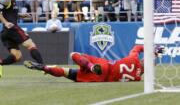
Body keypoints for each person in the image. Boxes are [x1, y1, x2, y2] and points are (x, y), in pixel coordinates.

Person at [24, 45, 164, 82]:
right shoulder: (138, 77)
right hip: (100, 79)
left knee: (73, 54)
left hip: (105, 66)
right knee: (66, 73)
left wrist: (153, 50)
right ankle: (46, 68)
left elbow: (137, 47)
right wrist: (156, 56)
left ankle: (90, 66)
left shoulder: (134, 59)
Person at [0, 0, 44, 73]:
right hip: (11, 29)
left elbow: (10, 14)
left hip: (5, 33)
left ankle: (1, 62)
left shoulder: (13, 2)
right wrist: (6, 23)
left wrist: (21, 15)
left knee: (17, 56)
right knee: (30, 44)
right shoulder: (7, 0)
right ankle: (42, 65)